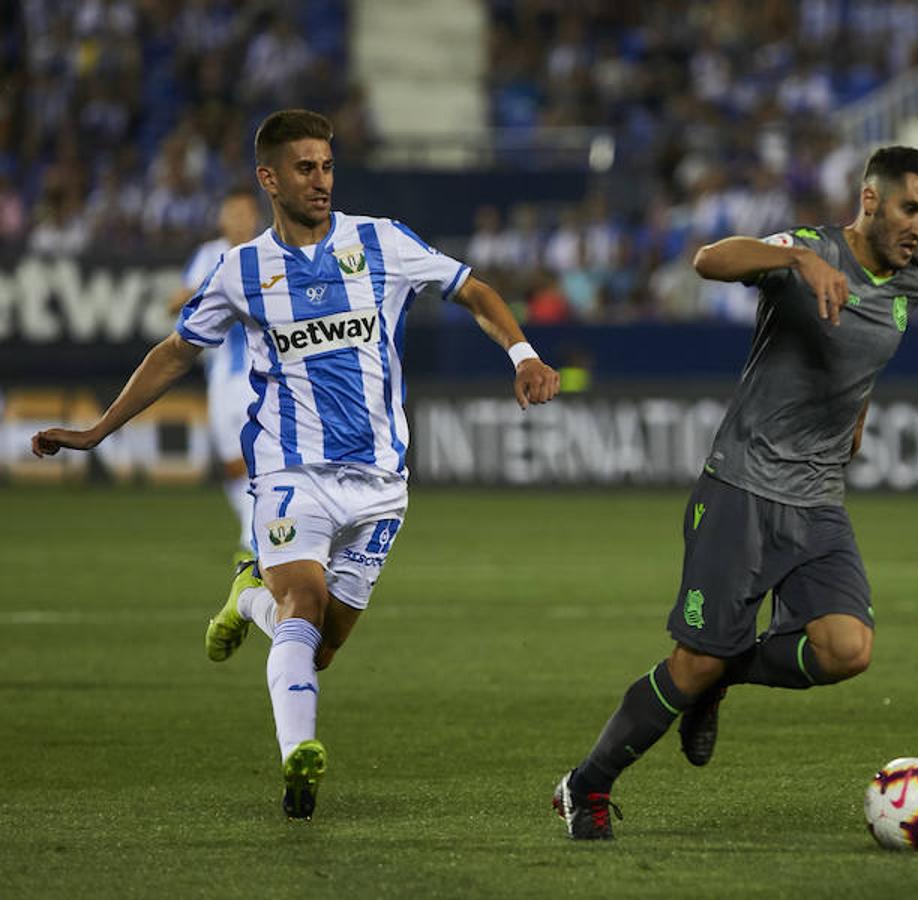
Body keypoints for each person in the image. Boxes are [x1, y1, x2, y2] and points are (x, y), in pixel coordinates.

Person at [32, 109, 561, 819]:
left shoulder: (380, 242)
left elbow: (472, 289)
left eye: (328, 166)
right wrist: (99, 430)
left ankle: (246, 596)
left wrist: (523, 354)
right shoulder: (242, 269)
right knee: (302, 607)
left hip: (380, 486)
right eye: (305, 168)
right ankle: (299, 764)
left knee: (316, 648)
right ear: (269, 177)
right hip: (291, 473)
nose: (321, 180)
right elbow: (176, 353)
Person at [552, 146, 918, 840]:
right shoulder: (809, 250)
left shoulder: (911, 285)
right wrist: (793, 260)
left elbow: (863, 361)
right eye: (911, 207)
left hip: (820, 497)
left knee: (846, 650)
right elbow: (708, 260)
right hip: (742, 486)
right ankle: (585, 787)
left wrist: (855, 418)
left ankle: (722, 680)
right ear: (871, 199)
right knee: (691, 663)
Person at [167, 186, 263, 559]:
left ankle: (252, 540)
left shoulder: (266, 251)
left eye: (246, 213)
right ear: (223, 217)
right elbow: (174, 303)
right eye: (233, 213)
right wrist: (215, 284)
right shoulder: (209, 255)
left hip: (258, 374)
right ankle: (255, 531)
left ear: (256, 215)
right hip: (220, 376)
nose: (240, 220)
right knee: (232, 465)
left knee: (257, 459)